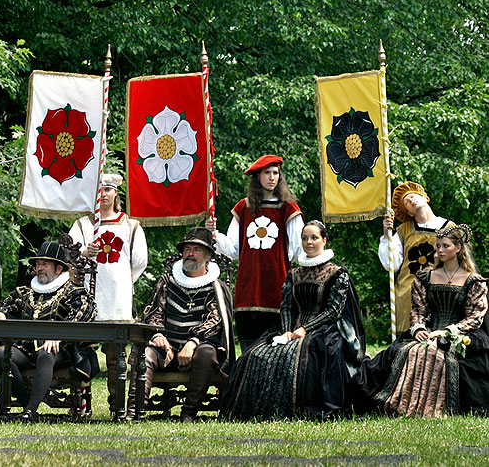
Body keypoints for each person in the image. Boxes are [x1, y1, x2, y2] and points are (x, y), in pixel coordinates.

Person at [220, 220, 366, 420]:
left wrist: (305, 329)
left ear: (324, 240)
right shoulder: (294, 274)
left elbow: (334, 311)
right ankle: (257, 411)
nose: (309, 242)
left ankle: (299, 410)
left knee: (309, 353)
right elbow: (287, 306)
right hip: (292, 328)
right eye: (305, 238)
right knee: (255, 354)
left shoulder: (338, 274)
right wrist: (288, 331)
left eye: (314, 238)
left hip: (326, 329)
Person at [356, 224, 489, 417]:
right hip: (428, 332)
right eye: (438, 246)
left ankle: (435, 408)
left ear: (458, 248)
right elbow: (419, 310)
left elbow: (475, 317)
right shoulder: (425, 277)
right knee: (410, 351)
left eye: (445, 246)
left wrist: (446, 332)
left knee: (437, 353)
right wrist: (418, 328)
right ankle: (397, 405)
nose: (440, 250)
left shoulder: (473, 282)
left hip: (461, 334)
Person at [126, 227, 234, 422]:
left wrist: (193, 342)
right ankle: (134, 413)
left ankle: (188, 413)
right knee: (147, 353)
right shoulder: (168, 281)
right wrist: (159, 336)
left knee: (208, 353)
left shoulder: (216, 287)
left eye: (197, 249)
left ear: (208, 256)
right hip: (167, 347)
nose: (190, 254)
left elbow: (216, 320)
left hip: (199, 349)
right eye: (187, 249)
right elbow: (153, 312)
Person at [0, 241, 97, 421]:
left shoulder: (74, 292)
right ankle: (29, 408)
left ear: (58, 268)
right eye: (38, 264)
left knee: (46, 354)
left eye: (45, 264)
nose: (40, 268)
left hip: (61, 351)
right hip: (26, 348)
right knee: (1, 354)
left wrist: (59, 335)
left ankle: (30, 411)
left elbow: (86, 312)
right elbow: (0, 306)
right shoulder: (24, 292)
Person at [68, 173, 148, 414]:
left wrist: (122, 282)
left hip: (117, 300)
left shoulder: (131, 226)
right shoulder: (83, 225)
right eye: (99, 191)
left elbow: (139, 262)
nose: (103, 195)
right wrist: (84, 252)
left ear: (116, 194)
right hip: (87, 299)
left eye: (107, 190)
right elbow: (68, 256)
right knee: (82, 353)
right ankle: (82, 405)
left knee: (117, 356)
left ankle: (117, 406)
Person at [206, 154, 303, 350]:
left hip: (277, 286)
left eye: (275, 173)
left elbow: (296, 250)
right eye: (267, 173)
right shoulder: (243, 208)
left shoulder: (287, 208)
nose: (272, 177)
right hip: (248, 288)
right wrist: (213, 233)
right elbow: (233, 249)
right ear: (257, 177)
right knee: (249, 346)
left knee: (277, 349)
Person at [379, 181, 454, 334]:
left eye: (413, 196)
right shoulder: (404, 230)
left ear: (425, 198)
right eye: (407, 201)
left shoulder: (450, 227)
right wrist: (387, 235)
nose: (411, 200)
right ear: (409, 213)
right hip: (409, 294)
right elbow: (391, 265)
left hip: (442, 291)